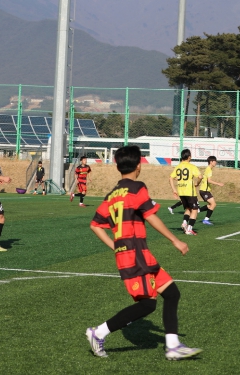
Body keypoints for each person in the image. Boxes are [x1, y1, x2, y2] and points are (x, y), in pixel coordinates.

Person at [86, 145, 202, 360]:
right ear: (139, 166)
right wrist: (175, 240)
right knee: (148, 304)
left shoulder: (112, 195)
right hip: (135, 255)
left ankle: (173, 346)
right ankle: (99, 332)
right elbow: (150, 215)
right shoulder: (137, 188)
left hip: (136, 254)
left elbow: (95, 225)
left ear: (117, 166)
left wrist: (115, 246)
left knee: (172, 293)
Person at [169, 149, 202, 236]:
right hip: (190, 191)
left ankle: (184, 223)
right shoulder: (192, 166)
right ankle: (189, 229)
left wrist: (174, 190)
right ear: (189, 157)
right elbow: (200, 176)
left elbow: (171, 178)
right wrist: (197, 183)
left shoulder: (178, 167)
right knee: (195, 210)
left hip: (181, 191)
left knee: (188, 208)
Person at [197, 155, 224, 225]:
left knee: (210, 205)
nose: (216, 162)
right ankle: (206, 220)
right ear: (211, 162)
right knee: (213, 204)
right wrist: (218, 184)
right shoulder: (209, 170)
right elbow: (209, 181)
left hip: (205, 190)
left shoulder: (208, 169)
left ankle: (197, 210)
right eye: (215, 161)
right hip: (204, 191)